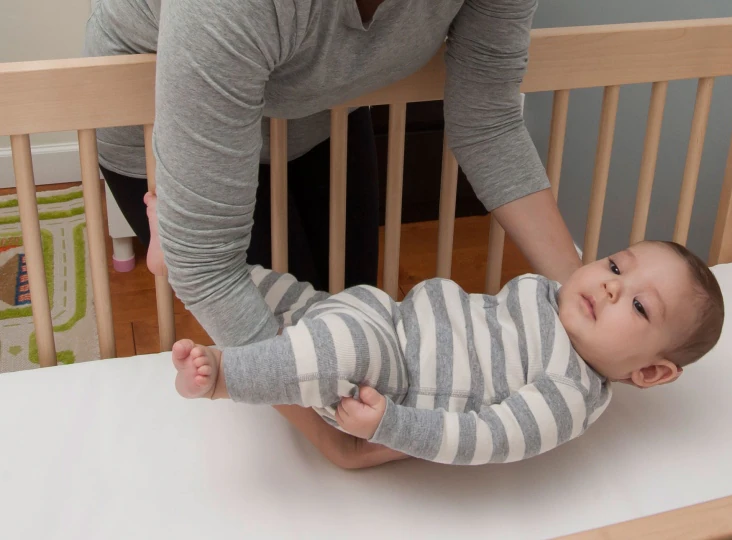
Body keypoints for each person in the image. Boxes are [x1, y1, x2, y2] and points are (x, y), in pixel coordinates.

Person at [84, 0, 582, 467]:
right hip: (176, 110)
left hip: (318, 101)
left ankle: (176, 249)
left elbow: (489, 122)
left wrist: (587, 296)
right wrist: (336, 441)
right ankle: (169, 245)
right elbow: (208, 266)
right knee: (301, 340)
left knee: (351, 318)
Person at [170, 240, 725, 465]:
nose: (611, 285)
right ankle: (183, 260)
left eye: (640, 306)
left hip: (392, 381)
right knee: (295, 299)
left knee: (330, 350)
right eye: (616, 264)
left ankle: (225, 375)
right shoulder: (554, 297)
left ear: (650, 371)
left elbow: (486, 437)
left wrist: (391, 425)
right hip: (386, 315)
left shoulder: (569, 392)